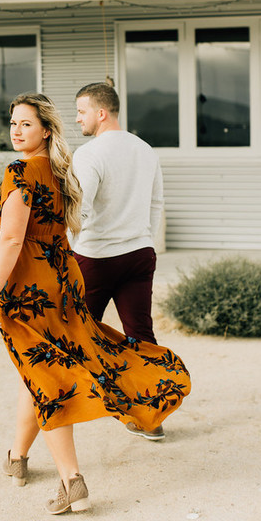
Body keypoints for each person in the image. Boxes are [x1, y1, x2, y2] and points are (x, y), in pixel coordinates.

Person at [0, 92, 190, 514]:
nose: (17, 131)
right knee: (40, 367)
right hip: (64, 277)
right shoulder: (60, 170)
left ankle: (71, 479)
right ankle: (18, 458)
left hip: (31, 289)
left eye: (26, 124)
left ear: (44, 129)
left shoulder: (20, 172)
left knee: (46, 375)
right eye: (14, 123)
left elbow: (11, 238)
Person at [72, 82, 166, 440]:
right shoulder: (146, 150)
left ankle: (76, 405)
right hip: (140, 255)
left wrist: (71, 249)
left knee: (78, 334)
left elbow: (79, 209)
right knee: (140, 335)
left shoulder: (89, 154)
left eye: (81, 111)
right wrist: (144, 239)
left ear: (101, 113)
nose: (77, 118)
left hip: (96, 257)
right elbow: (156, 204)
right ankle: (151, 419)